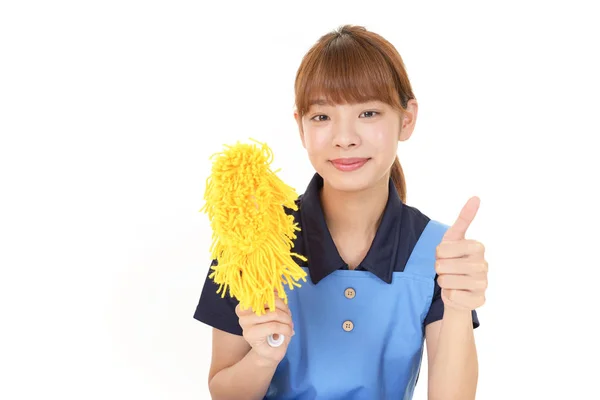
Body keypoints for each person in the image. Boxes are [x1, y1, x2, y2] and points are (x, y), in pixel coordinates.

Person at [193, 24, 489, 400]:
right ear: (300, 126)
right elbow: (223, 392)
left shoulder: (439, 252)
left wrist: (459, 307)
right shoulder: (253, 239)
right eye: (322, 117)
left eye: (368, 112)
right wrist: (263, 358)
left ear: (407, 118)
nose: (345, 137)